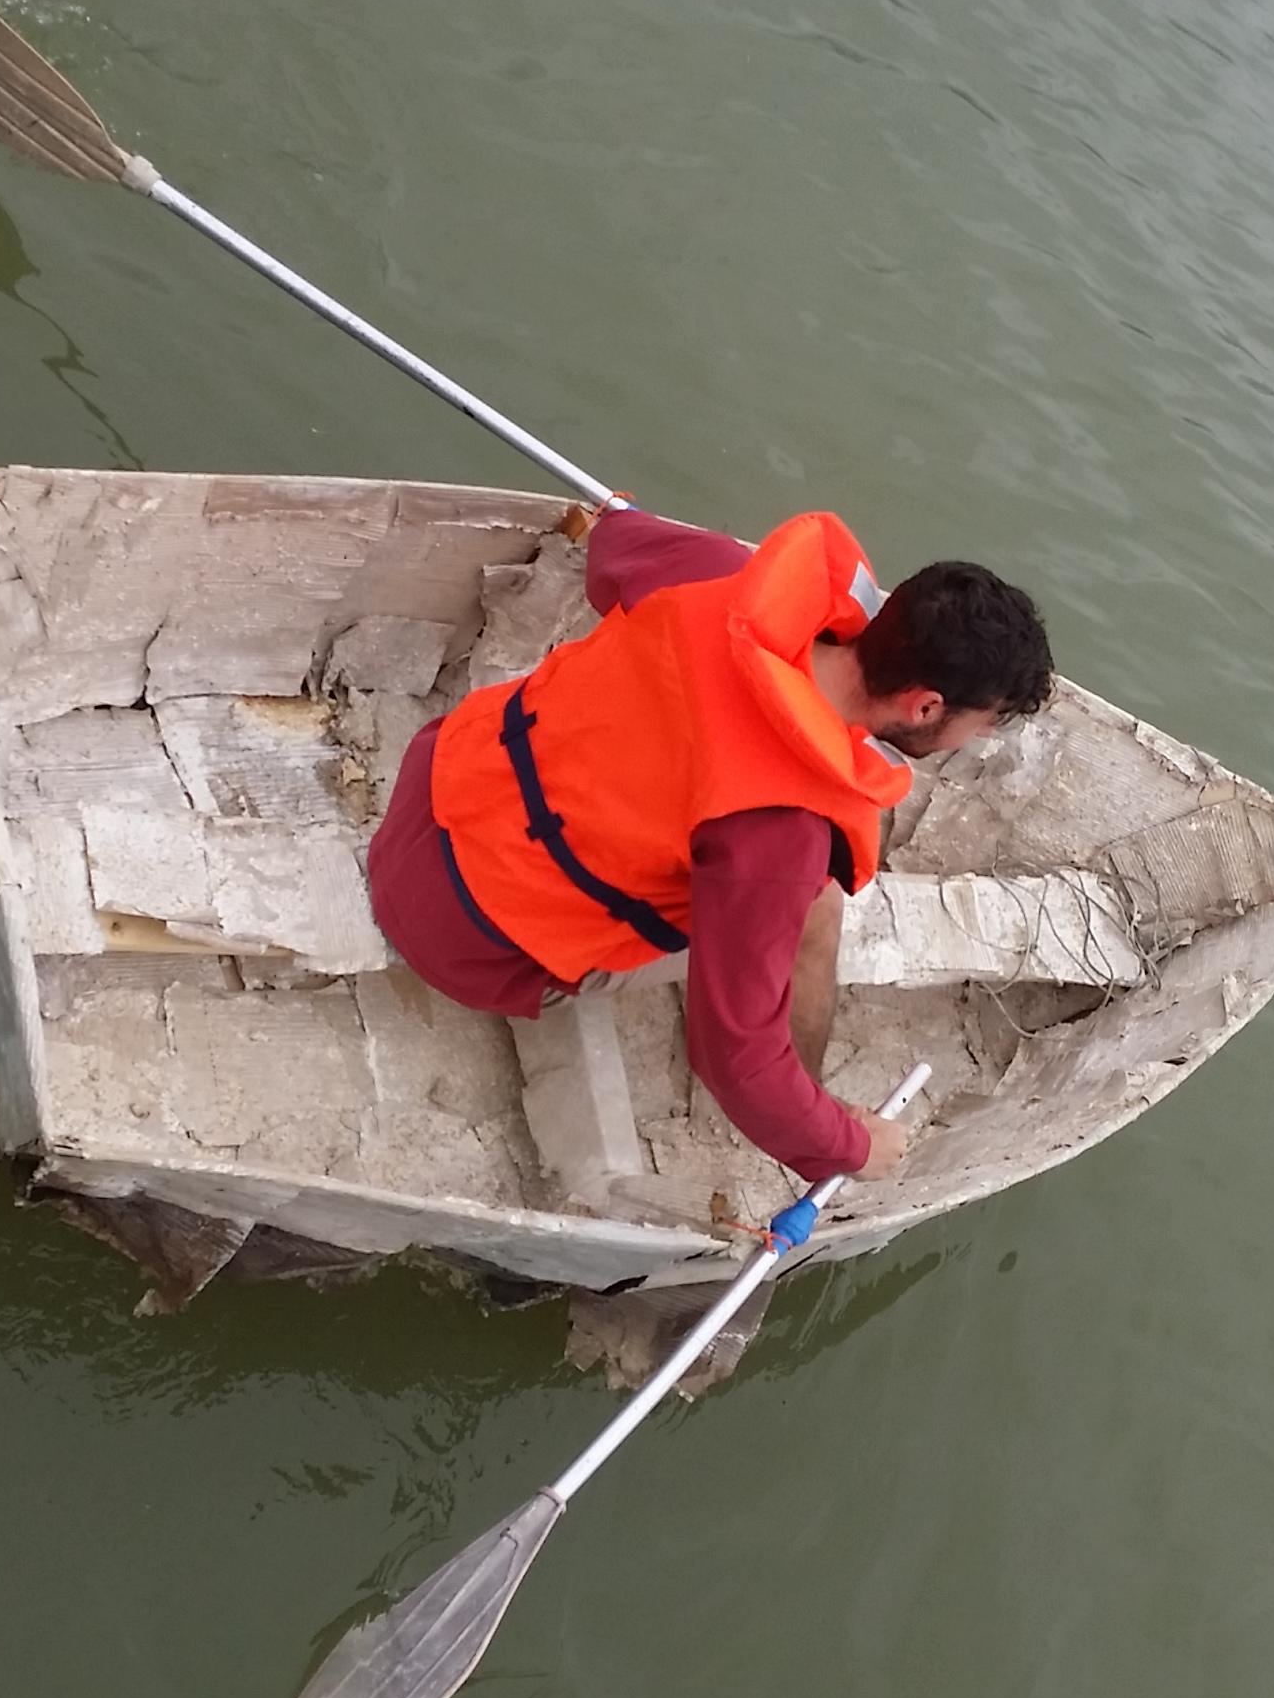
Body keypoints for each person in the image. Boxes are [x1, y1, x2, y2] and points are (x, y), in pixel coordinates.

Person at [366, 505, 1054, 1189]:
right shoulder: (784, 832)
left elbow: (613, 542)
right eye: (983, 725)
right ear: (925, 706)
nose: (980, 740)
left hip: (426, 801)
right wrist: (846, 1148)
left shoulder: (722, 575)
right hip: (468, 947)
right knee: (818, 905)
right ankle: (807, 1103)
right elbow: (731, 1059)